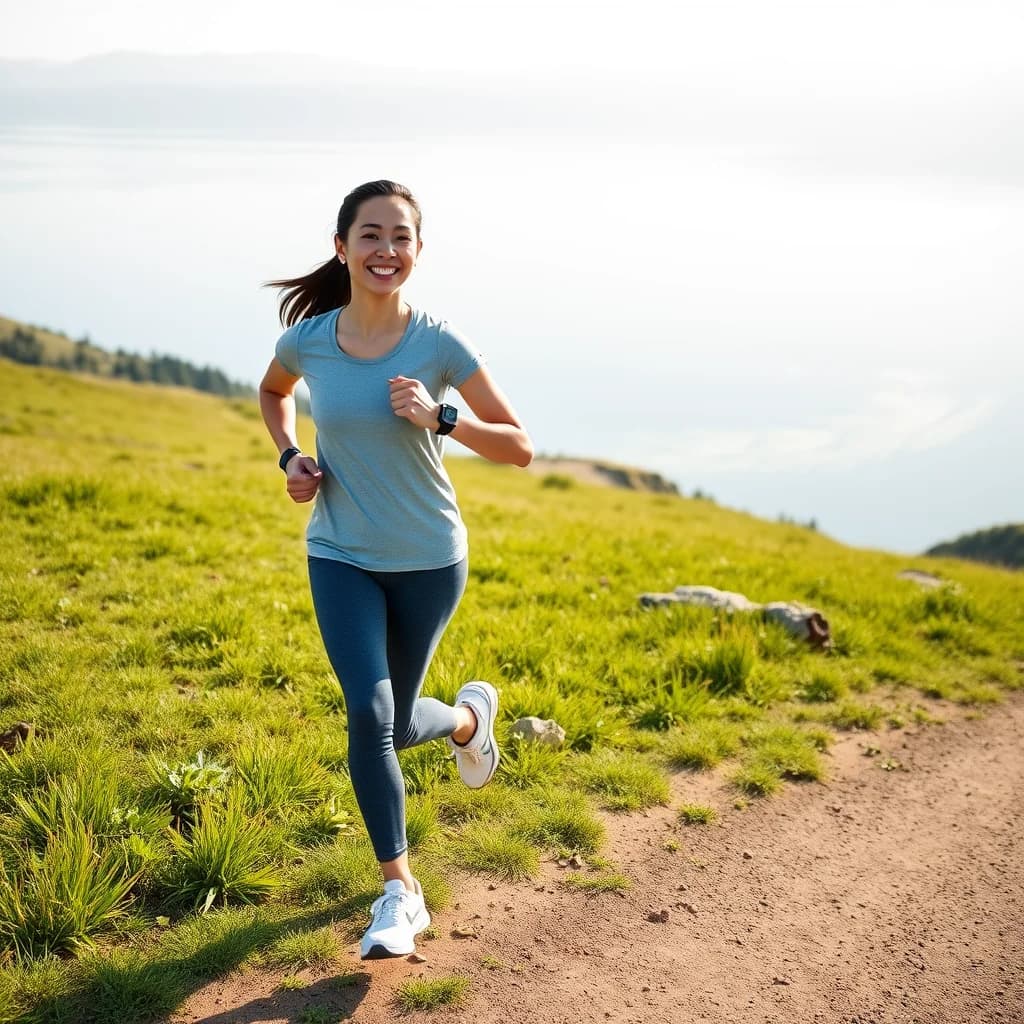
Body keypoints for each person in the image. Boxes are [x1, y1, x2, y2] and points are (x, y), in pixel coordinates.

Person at [258, 179, 533, 960]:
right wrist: (292, 456)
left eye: (401, 237)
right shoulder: (309, 339)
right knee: (370, 715)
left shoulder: (438, 345)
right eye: (371, 235)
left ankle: (469, 720)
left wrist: (442, 416)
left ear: (417, 251)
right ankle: (400, 892)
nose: (386, 250)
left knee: (399, 718)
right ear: (342, 245)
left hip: (428, 560)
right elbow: (274, 393)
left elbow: (520, 446)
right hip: (339, 550)